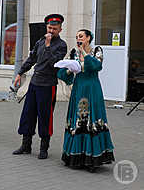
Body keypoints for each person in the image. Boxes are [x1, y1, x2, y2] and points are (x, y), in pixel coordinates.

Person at [57, 29, 115, 172]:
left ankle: (93, 159)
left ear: (88, 38)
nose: (78, 39)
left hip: (92, 89)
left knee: (93, 119)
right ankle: (76, 158)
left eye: (81, 36)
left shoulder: (97, 51)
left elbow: (96, 66)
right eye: (77, 37)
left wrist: (83, 52)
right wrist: (70, 70)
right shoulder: (72, 53)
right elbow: (62, 73)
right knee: (78, 119)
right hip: (78, 89)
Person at [12, 14, 67, 159]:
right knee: (28, 114)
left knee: (45, 116)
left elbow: (54, 63)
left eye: (54, 28)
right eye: (49, 27)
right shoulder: (40, 41)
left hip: (48, 85)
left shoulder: (61, 45)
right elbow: (32, 58)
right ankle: (26, 145)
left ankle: (44, 148)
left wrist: (48, 46)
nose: (51, 30)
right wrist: (20, 72)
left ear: (60, 30)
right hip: (35, 83)